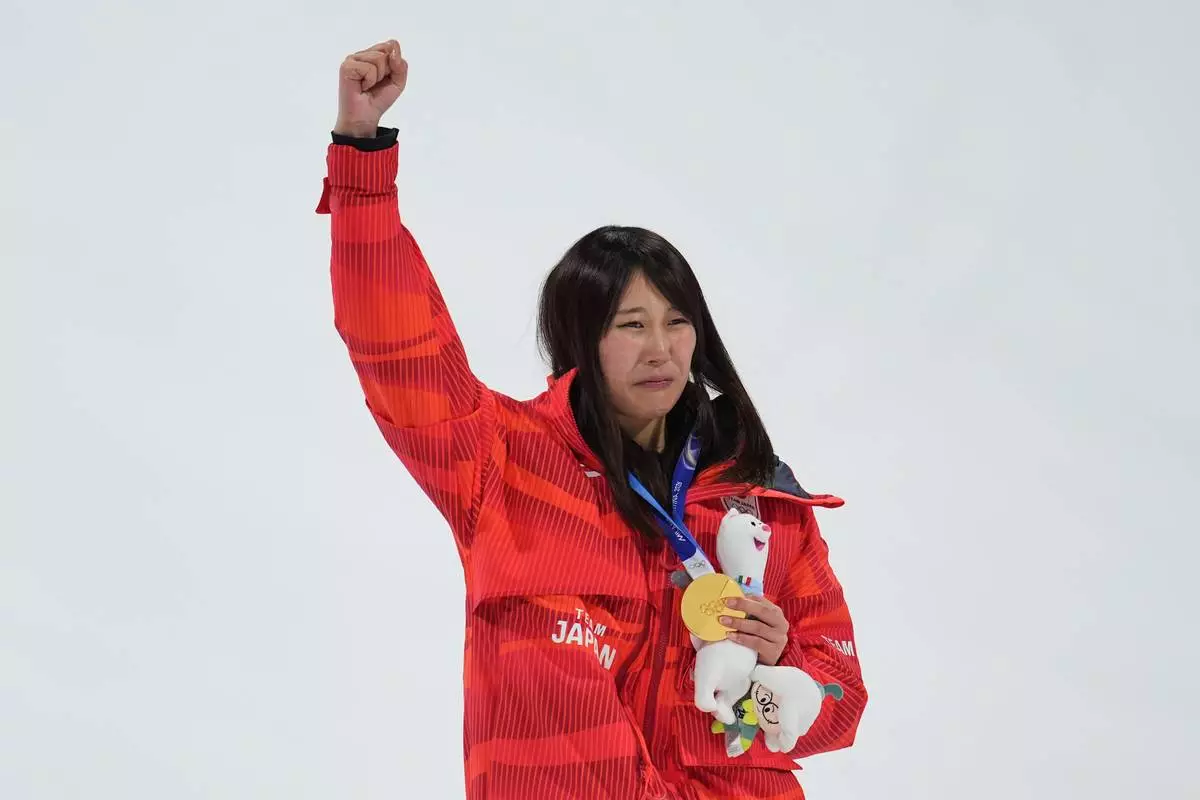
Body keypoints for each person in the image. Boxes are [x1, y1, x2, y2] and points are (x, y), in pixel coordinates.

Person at [317, 38, 867, 800]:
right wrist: (363, 162)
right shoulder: (501, 464)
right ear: (584, 338)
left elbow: (842, 706)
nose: (661, 349)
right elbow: (396, 345)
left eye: (677, 322)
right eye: (630, 325)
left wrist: (787, 666)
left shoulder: (762, 504)